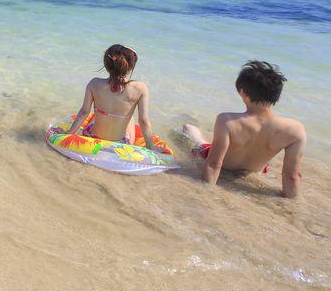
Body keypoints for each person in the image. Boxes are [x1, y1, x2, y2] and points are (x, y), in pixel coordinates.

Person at [183, 61, 307, 198]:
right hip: (255, 170)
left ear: (242, 93)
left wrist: (206, 193)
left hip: (223, 165)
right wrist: (290, 203)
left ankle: (191, 129)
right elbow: (292, 175)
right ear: (277, 95)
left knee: (192, 134)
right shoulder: (295, 129)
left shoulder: (227, 120)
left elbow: (214, 163)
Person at [66, 44, 155, 150]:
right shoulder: (140, 88)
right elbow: (143, 121)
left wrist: (68, 134)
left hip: (92, 138)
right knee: (130, 116)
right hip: (119, 145)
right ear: (130, 68)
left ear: (106, 65)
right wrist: (151, 150)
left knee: (97, 112)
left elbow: (84, 112)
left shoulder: (94, 83)